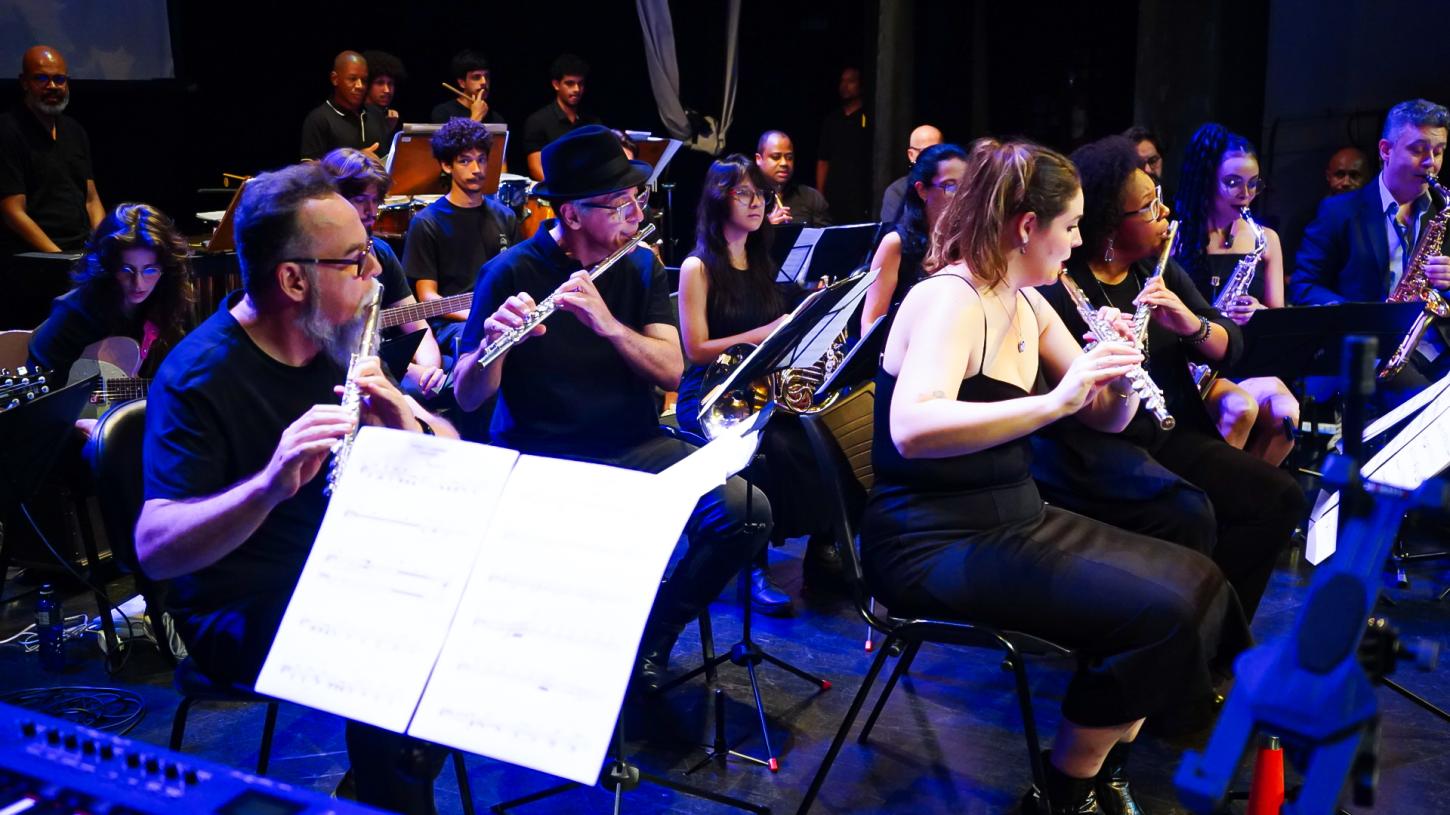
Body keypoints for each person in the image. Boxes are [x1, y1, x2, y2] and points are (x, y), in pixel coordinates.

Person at [861, 137, 1248, 814]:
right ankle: (1064, 791)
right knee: (1156, 615)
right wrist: (1051, 401)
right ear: (1026, 227)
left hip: (1012, 514)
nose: (1076, 242)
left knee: (1201, 581)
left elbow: (1100, 415)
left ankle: (1101, 769)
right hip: (932, 539)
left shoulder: (1028, 299)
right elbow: (911, 429)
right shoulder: (951, 298)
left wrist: (1121, 372)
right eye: (1068, 227)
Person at [134, 163, 457, 813]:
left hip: (340, 571)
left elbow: (448, 449)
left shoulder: (336, 335)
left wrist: (404, 415)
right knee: (390, 648)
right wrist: (269, 484)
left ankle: (389, 776)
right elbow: (155, 548)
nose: (375, 276)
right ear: (292, 278)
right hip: (238, 603)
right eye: (357, 261)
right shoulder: (198, 376)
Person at [453, 125, 769, 690]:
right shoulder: (510, 272)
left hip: (635, 444)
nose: (632, 213)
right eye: (618, 204)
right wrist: (492, 352)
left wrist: (608, 326)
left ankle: (653, 634)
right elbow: (467, 394)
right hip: (544, 458)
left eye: (636, 200)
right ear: (571, 215)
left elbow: (675, 369)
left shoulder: (640, 265)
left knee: (745, 511)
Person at [1032, 134, 1302, 624]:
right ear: (1112, 225)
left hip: (1169, 432)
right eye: (1150, 207)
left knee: (1279, 497)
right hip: (1095, 447)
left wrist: (1191, 324)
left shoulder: (1157, 272)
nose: (1165, 214)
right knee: (1187, 513)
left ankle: (1217, 633)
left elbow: (1232, 350)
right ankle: (1170, 638)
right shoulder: (1059, 287)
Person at [675, 154, 832, 615]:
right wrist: (767, 332)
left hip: (753, 387)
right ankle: (750, 567)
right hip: (709, 394)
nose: (756, 202)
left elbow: (775, 332)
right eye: (744, 193)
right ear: (719, 199)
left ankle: (826, 548)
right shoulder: (697, 267)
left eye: (760, 194)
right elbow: (696, 349)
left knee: (813, 438)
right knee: (764, 450)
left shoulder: (762, 262)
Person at [1290, 99, 1450, 386]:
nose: (1431, 163)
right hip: (1370, 352)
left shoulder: (1443, 213)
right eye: (1418, 150)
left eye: (1438, 152)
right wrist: (1357, 318)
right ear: (1385, 150)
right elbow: (1304, 286)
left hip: (1433, 347)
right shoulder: (1339, 212)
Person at [1172, 123, 1299, 466]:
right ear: (1208, 180)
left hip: (1247, 358)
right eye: (1233, 182)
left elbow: (1279, 318)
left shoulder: (1264, 239)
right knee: (1240, 407)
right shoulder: (1177, 238)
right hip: (1195, 361)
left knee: (1286, 411)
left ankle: (1254, 495)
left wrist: (1260, 312)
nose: (1245, 193)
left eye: (1253, 183)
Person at [319, 148, 446, 398]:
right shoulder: (324, 261)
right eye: (360, 200)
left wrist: (430, 369)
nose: (371, 210)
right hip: (345, 375)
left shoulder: (381, 251)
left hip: (388, 365)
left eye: (376, 200)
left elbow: (417, 326)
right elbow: (337, 349)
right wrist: (411, 372)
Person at [28, 203, 194, 395]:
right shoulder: (74, 313)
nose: (138, 283)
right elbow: (42, 391)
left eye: (150, 270)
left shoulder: (171, 303)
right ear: (107, 266)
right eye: (126, 270)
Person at [402, 118, 517, 358]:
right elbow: (427, 297)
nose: (477, 169)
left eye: (481, 160)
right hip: (453, 323)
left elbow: (517, 277)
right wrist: (478, 315)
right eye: (465, 161)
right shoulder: (426, 222)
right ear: (446, 165)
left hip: (499, 316)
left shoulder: (505, 216)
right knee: (482, 340)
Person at [0, 45, 104, 255]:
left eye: (59, 79)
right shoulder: (8, 130)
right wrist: (57, 257)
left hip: (80, 251)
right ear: (24, 82)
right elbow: (12, 211)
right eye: (41, 79)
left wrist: (101, 248)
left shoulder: (74, 130)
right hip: (34, 258)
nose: (52, 86)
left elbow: (91, 200)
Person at [860, 143, 968, 334]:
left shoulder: (970, 242)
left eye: (966, 187)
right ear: (922, 190)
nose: (961, 196)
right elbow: (870, 323)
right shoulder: (896, 244)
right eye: (950, 186)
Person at [521, 54, 601, 181]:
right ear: (556, 84)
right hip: (554, 194)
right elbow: (536, 167)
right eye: (570, 83)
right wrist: (559, 190)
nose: (576, 89)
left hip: (588, 191)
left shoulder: (592, 122)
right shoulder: (538, 121)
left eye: (580, 84)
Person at [300, 51, 383, 161]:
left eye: (364, 80)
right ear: (335, 79)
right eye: (352, 79)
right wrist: (353, 160)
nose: (360, 86)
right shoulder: (319, 119)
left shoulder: (375, 115)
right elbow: (308, 170)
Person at [816, 67, 872, 224]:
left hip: (860, 193)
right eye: (843, 81)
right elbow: (823, 159)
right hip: (835, 193)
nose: (845, 85)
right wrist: (820, 193)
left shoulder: (868, 117)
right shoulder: (832, 120)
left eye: (851, 81)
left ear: (860, 85)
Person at [755, 130, 831, 227]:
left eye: (789, 157)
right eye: (776, 157)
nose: (784, 163)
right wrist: (766, 228)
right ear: (759, 159)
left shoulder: (812, 197)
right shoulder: (749, 198)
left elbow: (826, 239)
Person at [878, 124, 943, 224]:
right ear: (911, 155)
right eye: (927, 151)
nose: (935, 157)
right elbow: (893, 232)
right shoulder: (897, 191)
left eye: (940, 150)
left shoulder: (953, 186)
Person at [430, 49, 505, 126]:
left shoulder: (496, 118)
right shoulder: (443, 112)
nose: (484, 82)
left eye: (487, 76)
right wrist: (476, 117)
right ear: (462, 83)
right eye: (476, 77)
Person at [361, 50, 406, 153]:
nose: (387, 90)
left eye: (390, 84)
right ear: (367, 84)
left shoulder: (391, 117)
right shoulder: (358, 114)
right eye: (380, 83)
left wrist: (388, 128)